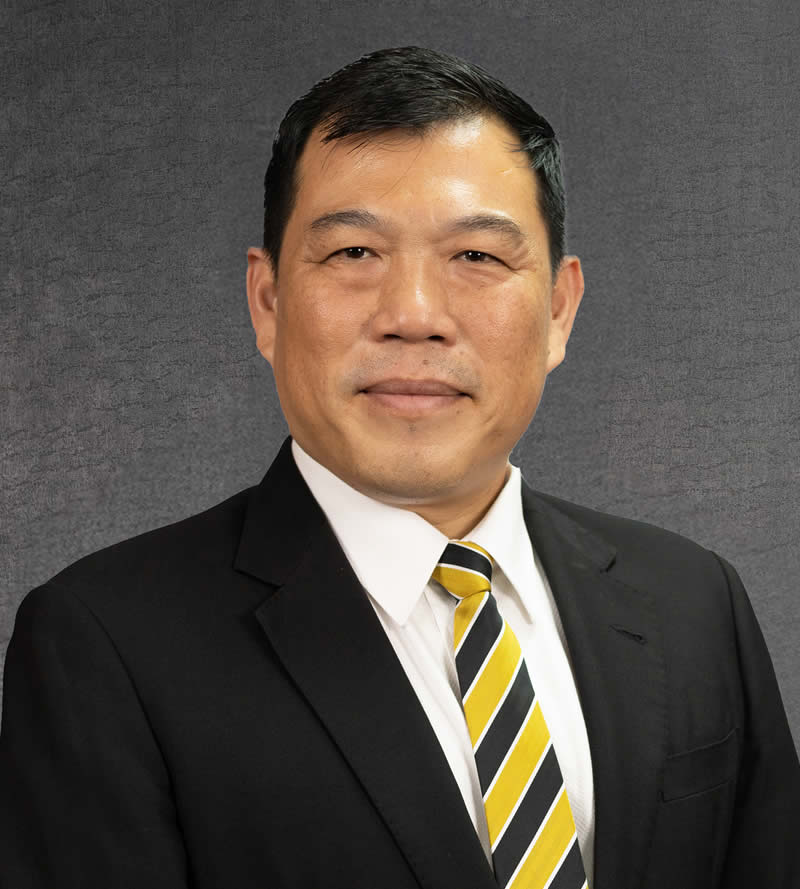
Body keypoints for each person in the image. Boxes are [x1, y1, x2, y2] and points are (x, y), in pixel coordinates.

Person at [1, 44, 798, 889]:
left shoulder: (693, 601)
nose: (414, 315)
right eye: (354, 253)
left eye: (477, 257)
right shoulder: (106, 645)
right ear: (267, 301)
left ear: (560, 309)